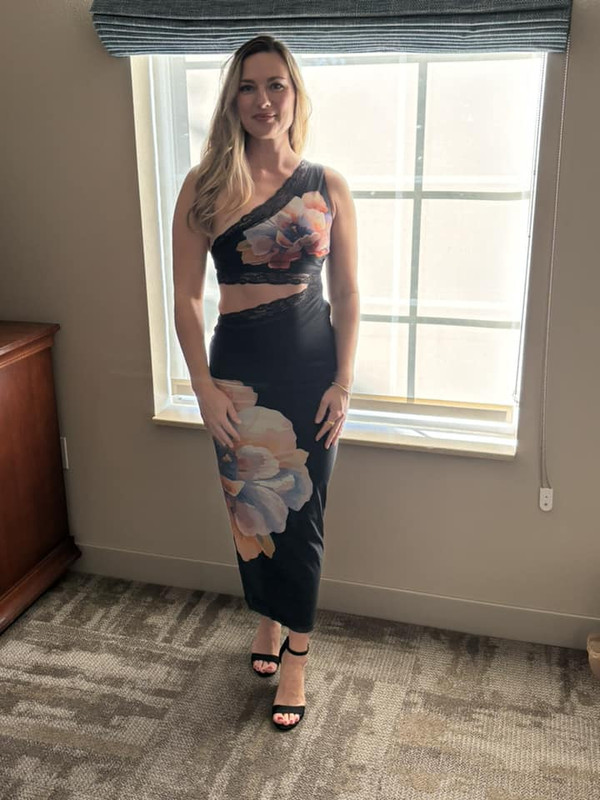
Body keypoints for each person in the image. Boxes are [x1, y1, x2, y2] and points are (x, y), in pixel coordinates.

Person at [172, 34, 359, 731]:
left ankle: (297, 655)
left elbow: (348, 291)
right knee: (251, 510)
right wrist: (202, 387)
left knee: (303, 515)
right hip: (238, 373)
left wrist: (343, 380)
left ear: (294, 94)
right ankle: (268, 620)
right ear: (232, 100)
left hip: (311, 368)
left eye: (275, 84)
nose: (262, 100)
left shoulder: (327, 184)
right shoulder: (205, 185)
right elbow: (186, 297)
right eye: (248, 87)